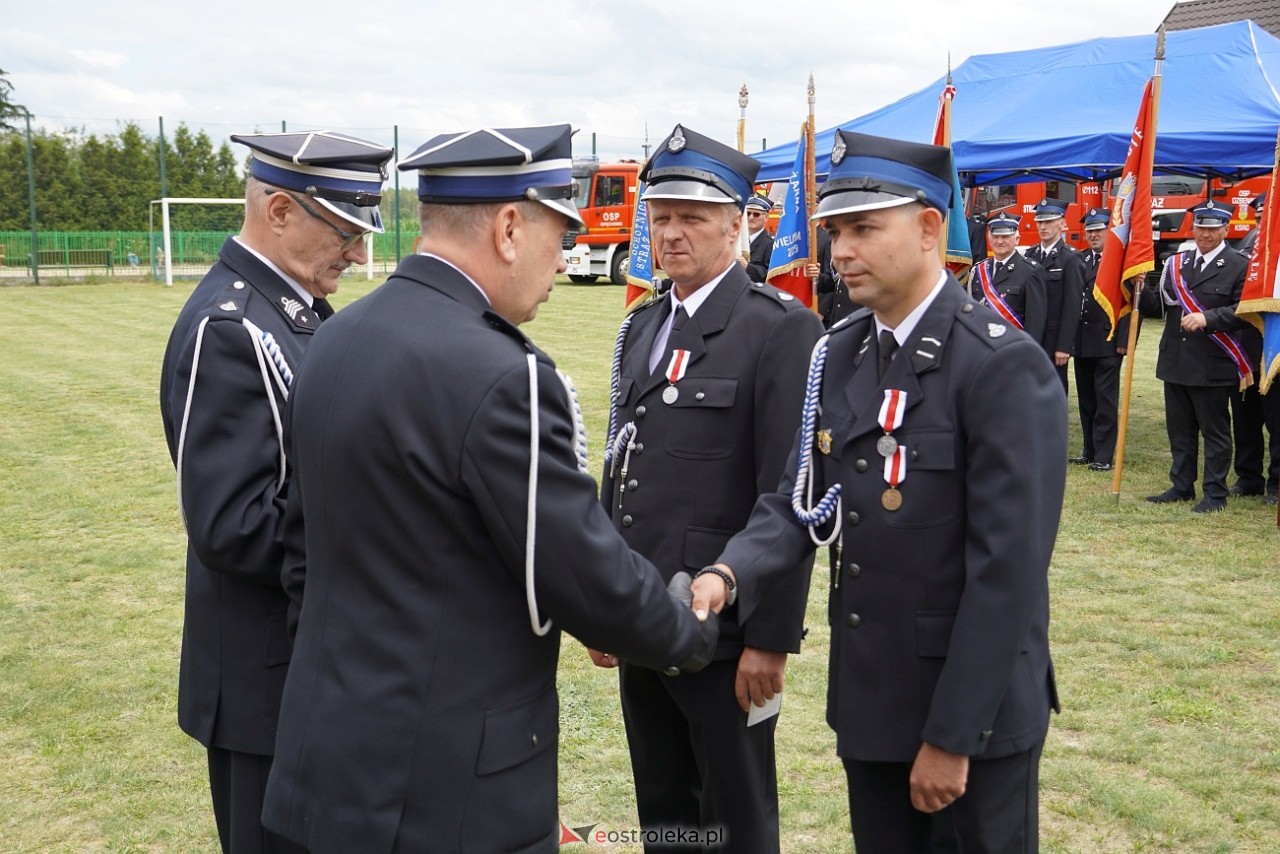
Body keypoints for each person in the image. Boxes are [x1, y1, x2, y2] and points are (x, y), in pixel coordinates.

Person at [260, 124, 718, 853]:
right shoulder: (504, 374)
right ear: (509, 228)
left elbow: (301, 551)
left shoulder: (336, 336)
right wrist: (688, 632)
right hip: (449, 791)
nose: (563, 259)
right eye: (558, 234)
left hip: (325, 758)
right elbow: (579, 570)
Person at [691, 129, 1066, 853]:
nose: (841, 251)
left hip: (969, 713)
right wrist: (728, 573)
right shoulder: (842, 352)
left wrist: (953, 737)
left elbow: (1008, 575)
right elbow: (799, 500)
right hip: (873, 697)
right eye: (835, 232)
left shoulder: (999, 367)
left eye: (864, 228)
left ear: (928, 228)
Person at [158, 129, 394, 854]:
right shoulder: (230, 327)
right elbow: (232, 526)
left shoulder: (292, 310)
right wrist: (380, 527)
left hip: (307, 667)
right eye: (345, 231)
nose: (357, 254)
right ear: (281, 211)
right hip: (266, 684)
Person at [594, 124, 822, 852]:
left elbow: (790, 494)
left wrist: (770, 640)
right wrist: (605, 603)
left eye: (692, 217)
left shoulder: (779, 329)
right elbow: (622, 469)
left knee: (735, 821)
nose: (671, 233)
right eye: (660, 217)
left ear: (736, 224)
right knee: (665, 814)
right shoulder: (643, 326)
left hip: (725, 636)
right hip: (643, 616)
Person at [1141, 200, 1250, 513]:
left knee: (1214, 433)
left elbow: (1245, 311)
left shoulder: (1239, 265)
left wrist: (1208, 318)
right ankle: (1181, 485)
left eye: (1213, 229)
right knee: (1180, 431)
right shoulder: (1178, 262)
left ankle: (1215, 493)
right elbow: (1158, 308)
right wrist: (1139, 288)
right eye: (1201, 227)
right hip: (1175, 359)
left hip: (1212, 361)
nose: (1206, 234)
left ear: (1225, 230)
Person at [1229, 192, 1280, 504]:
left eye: (1268, 218)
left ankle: (1277, 484)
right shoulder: (1245, 251)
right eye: (1259, 219)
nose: (1262, 224)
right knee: (1245, 417)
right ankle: (1248, 478)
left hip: (1276, 348)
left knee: (1277, 420)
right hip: (1246, 346)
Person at [1072, 207, 1131, 472]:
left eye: (1098, 230)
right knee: (1086, 400)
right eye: (1090, 230)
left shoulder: (1121, 261)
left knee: (1105, 400)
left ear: (1110, 231)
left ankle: (1104, 455)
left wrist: (1125, 339)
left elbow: (1130, 303)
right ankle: (1089, 450)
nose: (1093, 235)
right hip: (1082, 340)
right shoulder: (1081, 259)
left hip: (1108, 340)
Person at [1025, 198, 1084, 393]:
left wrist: (1064, 346)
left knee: (1054, 391)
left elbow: (1072, 306)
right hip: (1031, 336)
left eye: (1049, 221)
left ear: (1062, 223)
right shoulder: (1030, 255)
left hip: (1054, 340)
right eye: (1039, 221)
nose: (1043, 227)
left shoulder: (1071, 258)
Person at [965, 211, 1047, 345]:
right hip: (982, 347)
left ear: (1017, 239)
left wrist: (1029, 351)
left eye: (1005, 236)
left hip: (1013, 348)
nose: (999, 241)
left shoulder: (1031, 271)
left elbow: (1035, 323)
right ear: (989, 238)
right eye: (995, 236)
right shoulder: (978, 270)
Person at [744, 191, 774, 283]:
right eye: (748, 213)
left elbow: (770, 275)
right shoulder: (736, 240)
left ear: (766, 217)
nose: (751, 217)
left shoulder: (771, 244)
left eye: (756, 214)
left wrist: (746, 266)